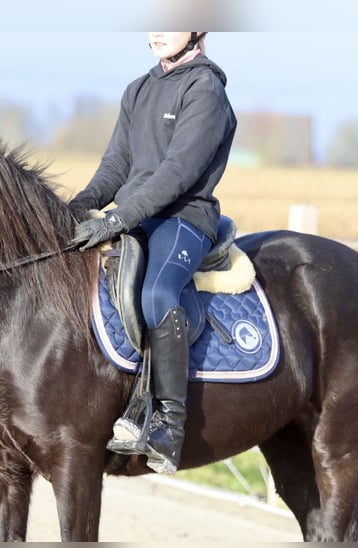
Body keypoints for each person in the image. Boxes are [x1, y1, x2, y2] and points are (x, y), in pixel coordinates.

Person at [70, 32, 237, 475]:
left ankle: (168, 423)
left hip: (183, 217)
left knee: (157, 294)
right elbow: (116, 166)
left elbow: (177, 173)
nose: (159, 31)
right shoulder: (138, 89)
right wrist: (74, 207)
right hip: (135, 216)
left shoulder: (205, 90)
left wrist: (115, 219)